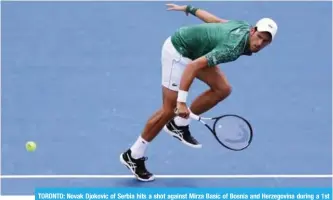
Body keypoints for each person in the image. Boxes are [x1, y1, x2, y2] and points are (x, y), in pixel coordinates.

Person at [119, 3, 278, 182]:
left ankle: (178, 125)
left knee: (223, 89)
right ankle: (133, 155)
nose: (260, 43)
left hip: (196, 52)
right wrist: (181, 102)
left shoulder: (242, 27)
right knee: (168, 110)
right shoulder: (232, 49)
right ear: (253, 30)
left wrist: (190, 9)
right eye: (259, 37)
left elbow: (216, 21)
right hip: (178, 51)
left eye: (266, 41)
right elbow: (193, 67)